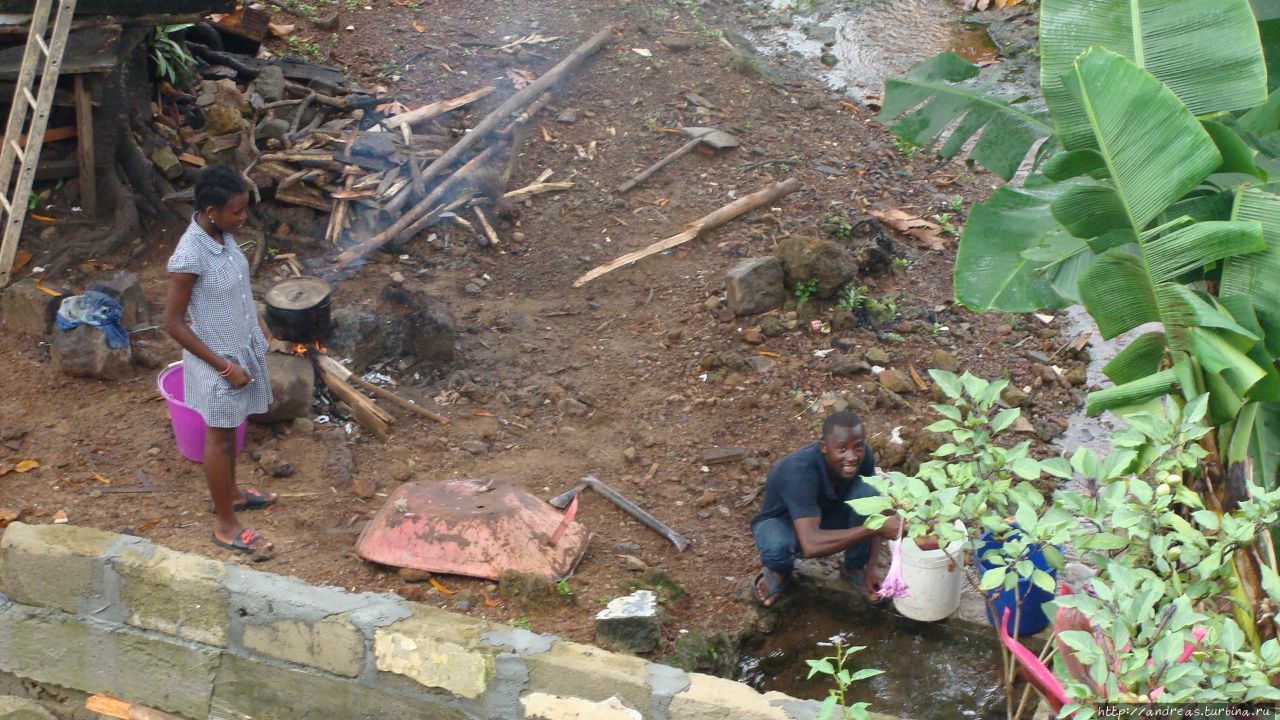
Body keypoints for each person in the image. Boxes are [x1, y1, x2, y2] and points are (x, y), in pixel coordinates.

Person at [164, 164, 278, 558]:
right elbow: (172, 323)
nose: (243, 218)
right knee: (219, 436)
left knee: (231, 431)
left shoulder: (223, 236)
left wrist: (259, 323)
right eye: (237, 212)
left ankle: (231, 494)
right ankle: (226, 525)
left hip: (238, 348)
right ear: (213, 211)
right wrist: (224, 367)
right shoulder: (189, 256)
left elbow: (237, 287)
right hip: (215, 361)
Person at [750, 411, 901, 606]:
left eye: (858, 447)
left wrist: (871, 567)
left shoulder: (864, 457)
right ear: (824, 447)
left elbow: (874, 511)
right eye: (842, 449)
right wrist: (875, 528)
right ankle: (780, 572)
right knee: (777, 550)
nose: (852, 456)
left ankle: (854, 568)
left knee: (869, 491)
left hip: (828, 515)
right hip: (786, 524)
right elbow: (811, 545)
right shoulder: (799, 471)